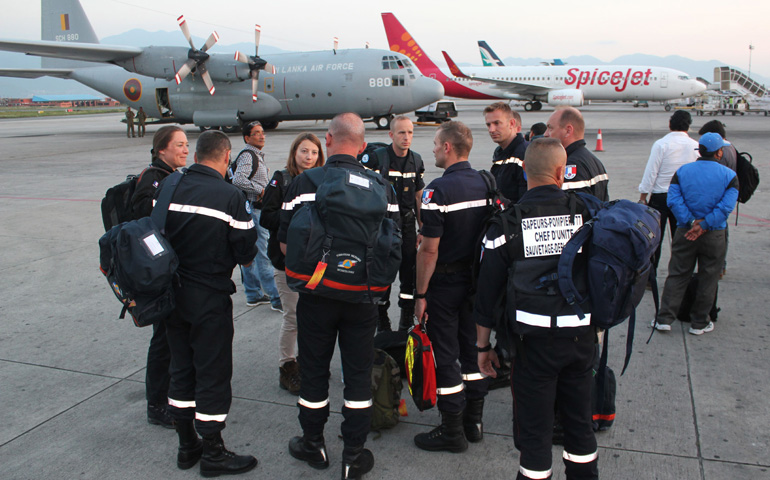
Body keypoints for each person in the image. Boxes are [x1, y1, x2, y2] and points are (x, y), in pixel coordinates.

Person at [279, 113, 399, 480]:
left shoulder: (305, 182)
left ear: (327, 140)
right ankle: (353, 454)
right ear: (363, 147)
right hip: (363, 297)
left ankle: (313, 444)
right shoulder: (382, 186)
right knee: (358, 376)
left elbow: (285, 244)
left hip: (316, 296)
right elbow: (396, 243)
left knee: (314, 372)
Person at [475, 138, 599, 480]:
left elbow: (486, 296)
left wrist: (482, 347)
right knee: (580, 428)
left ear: (525, 171)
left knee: (534, 435)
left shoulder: (506, 224)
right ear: (562, 172)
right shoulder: (587, 215)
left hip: (532, 344)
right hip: (581, 339)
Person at [158, 130, 259, 476]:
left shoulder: (169, 186)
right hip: (208, 297)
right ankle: (213, 452)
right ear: (226, 156)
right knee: (213, 373)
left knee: (181, 368)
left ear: (197, 154)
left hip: (171, 294)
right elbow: (247, 255)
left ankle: (187, 446)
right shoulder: (230, 196)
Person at [413, 121, 490, 453]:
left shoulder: (436, 191)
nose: (431, 149)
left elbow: (429, 249)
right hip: (476, 283)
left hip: (445, 284)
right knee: (472, 352)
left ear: (447, 147)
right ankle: (474, 422)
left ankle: (452, 430)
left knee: (445, 356)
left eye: (434, 143)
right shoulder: (486, 182)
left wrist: (419, 295)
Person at [129, 125, 189, 429]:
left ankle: (172, 394)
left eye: (186, 144)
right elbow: (145, 221)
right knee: (163, 340)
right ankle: (156, 404)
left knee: (173, 336)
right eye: (179, 144)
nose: (185, 149)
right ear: (161, 149)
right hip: (159, 272)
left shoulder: (172, 176)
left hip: (172, 268)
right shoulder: (153, 178)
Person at [652, 133, 738, 335]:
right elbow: (726, 207)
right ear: (718, 152)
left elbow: (673, 200)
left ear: (700, 151)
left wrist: (691, 222)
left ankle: (665, 318)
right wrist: (705, 224)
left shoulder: (682, 172)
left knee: (678, 273)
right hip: (714, 233)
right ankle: (699, 322)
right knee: (708, 277)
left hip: (685, 230)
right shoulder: (729, 176)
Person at [260, 133, 325, 395]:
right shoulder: (281, 179)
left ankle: (309, 361)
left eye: (313, 153)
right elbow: (266, 217)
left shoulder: (323, 180)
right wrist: (296, 220)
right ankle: (287, 364)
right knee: (293, 316)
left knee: (316, 317)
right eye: (304, 151)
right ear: (294, 153)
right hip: (285, 259)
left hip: (316, 260)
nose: (309, 157)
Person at [365, 115, 425, 332]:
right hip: (383, 227)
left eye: (410, 132)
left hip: (408, 227)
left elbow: (419, 197)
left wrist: (422, 228)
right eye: (401, 132)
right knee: (383, 274)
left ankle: (406, 320)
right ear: (391, 135)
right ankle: (382, 321)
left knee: (408, 276)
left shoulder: (416, 160)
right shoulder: (377, 159)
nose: (406, 137)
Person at [637, 110, 698, 269]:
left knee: (655, 238)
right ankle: (680, 272)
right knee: (681, 237)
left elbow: (651, 171)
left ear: (670, 125)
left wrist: (643, 195)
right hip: (683, 198)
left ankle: (651, 275)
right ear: (688, 125)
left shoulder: (661, 144)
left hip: (661, 196)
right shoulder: (695, 146)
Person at [232, 121, 281, 311]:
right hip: (254, 208)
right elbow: (238, 179)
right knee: (263, 254)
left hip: (250, 208)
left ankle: (253, 294)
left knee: (252, 252)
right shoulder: (248, 155)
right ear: (247, 138)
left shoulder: (255, 155)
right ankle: (276, 298)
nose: (262, 136)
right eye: (256, 133)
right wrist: (261, 190)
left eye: (262, 133)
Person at [545, 106, 609, 201]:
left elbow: (571, 210)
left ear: (568, 131)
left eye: (550, 128)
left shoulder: (571, 165)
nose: (545, 134)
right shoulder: (595, 161)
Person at [484, 102, 528, 203]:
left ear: (512, 123)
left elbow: (525, 199)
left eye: (497, 123)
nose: (491, 130)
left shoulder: (524, 154)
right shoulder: (500, 152)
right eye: (488, 125)